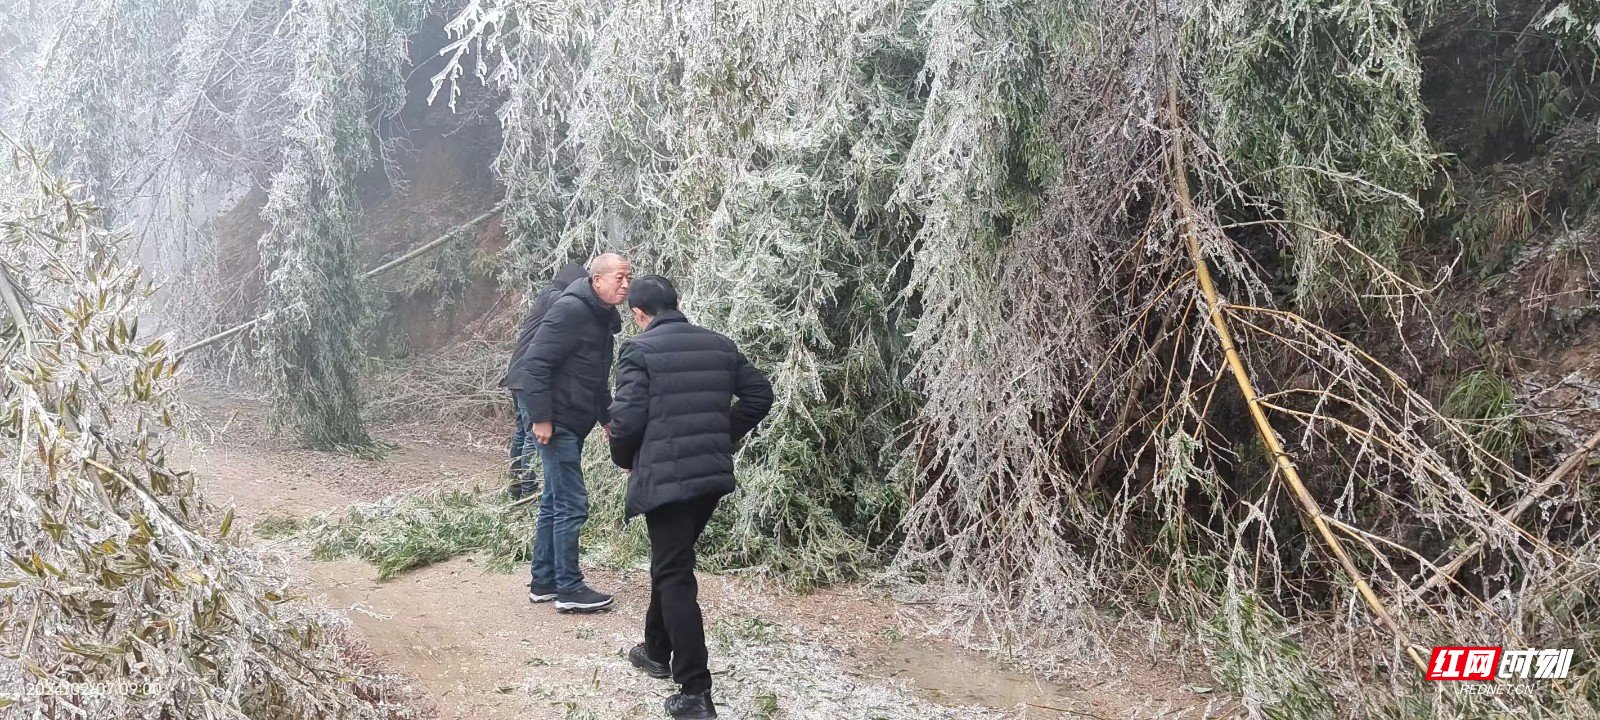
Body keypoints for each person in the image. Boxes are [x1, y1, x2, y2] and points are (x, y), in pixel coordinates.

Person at [606, 275, 773, 720]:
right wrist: (723, 433)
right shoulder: (719, 344)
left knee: (675, 573)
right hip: (709, 477)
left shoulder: (639, 351)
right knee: (671, 560)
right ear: (676, 304)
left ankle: (696, 691)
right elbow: (760, 394)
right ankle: (656, 650)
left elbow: (624, 421)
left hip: (666, 478)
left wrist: (626, 458)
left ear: (639, 315)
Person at [509, 253, 631, 612]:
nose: (625, 285)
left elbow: (592, 374)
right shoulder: (571, 309)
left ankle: (544, 581)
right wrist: (542, 419)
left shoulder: (601, 314)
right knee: (571, 503)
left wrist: (606, 417)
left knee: (553, 500)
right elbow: (535, 364)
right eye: (618, 278)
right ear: (596, 280)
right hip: (557, 420)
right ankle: (569, 588)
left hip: (574, 418)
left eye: (629, 278)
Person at [502, 264, 587, 501]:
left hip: (520, 374)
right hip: (529, 376)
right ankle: (530, 490)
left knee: (522, 433)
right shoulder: (554, 297)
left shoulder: (548, 296)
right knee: (532, 435)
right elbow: (575, 304)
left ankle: (517, 486)